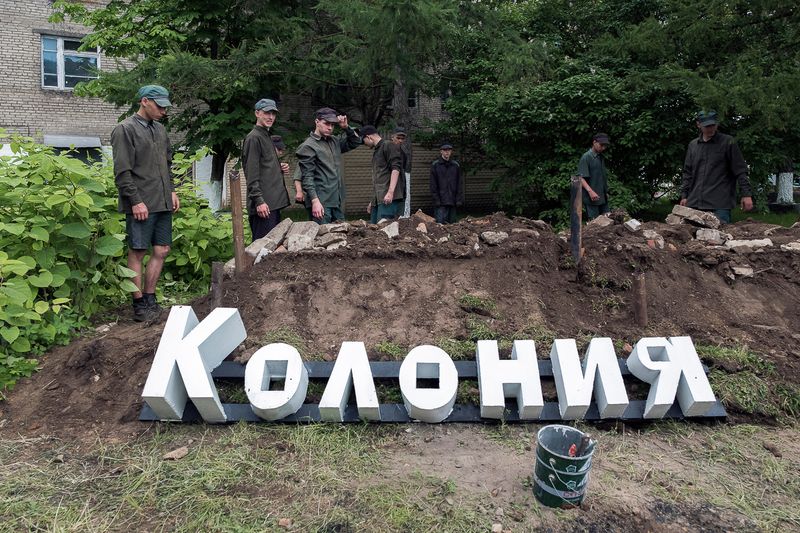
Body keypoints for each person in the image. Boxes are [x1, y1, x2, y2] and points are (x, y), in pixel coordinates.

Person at [111, 84, 179, 322]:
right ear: (145, 101)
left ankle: (150, 298)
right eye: (160, 106)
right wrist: (135, 201)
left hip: (162, 201)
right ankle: (138, 303)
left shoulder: (160, 130)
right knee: (138, 251)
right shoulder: (125, 129)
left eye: (165, 106)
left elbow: (167, 164)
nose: (164, 111)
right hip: (141, 203)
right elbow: (122, 172)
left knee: (162, 250)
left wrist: (171, 190)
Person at [680, 110, 753, 223]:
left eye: (713, 125)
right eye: (707, 126)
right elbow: (687, 172)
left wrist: (746, 194)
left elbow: (740, 170)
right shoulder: (693, 145)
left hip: (719, 204)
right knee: (693, 238)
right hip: (695, 202)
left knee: (719, 237)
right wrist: (684, 195)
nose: (710, 129)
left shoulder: (728, 142)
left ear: (717, 124)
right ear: (698, 125)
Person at [296, 107, 361, 224]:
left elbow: (355, 142)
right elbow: (307, 177)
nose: (330, 127)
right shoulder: (308, 146)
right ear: (317, 121)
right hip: (321, 202)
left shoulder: (334, 141)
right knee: (322, 239)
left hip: (336, 200)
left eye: (332, 124)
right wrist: (315, 201)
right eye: (326, 123)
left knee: (341, 237)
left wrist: (346, 128)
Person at [241, 99, 290, 241]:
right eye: (267, 113)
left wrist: (278, 168)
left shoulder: (266, 135)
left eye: (273, 113)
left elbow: (263, 166)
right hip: (263, 206)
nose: (271, 117)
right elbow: (251, 173)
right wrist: (259, 201)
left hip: (273, 205)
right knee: (261, 252)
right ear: (257, 113)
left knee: (272, 250)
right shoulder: (253, 138)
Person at [361, 125, 404, 223]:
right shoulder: (377, 150)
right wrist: (373, 201)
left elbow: (396, 169)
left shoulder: (388, 145)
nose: (364, 144)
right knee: (374, 230)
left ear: (369, 137)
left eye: (363, 141)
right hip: (379, 199)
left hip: (388, 199)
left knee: (385, 231)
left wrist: (390, 192)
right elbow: (379, 178)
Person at [576, 133, 610, 220]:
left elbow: (600, 177)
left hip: (603, 198)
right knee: (594, 225)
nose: (603, 148)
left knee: (608, 223)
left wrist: (605, 192)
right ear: (594, 142)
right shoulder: (586, 157)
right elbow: (581, 178)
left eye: (605, 146)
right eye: (601, 145)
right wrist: (591, 192)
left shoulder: (600, 157)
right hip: (592, 199)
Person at [430, 142, 462, 224]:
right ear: (441, 151)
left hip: (453, 200)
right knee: (440, 225)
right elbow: (433, 185)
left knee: (453, 225)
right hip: (441, 202)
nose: (447, 152)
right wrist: (436, 199)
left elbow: (459, 183)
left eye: (449, 150)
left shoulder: (455, 165)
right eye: (445, 150)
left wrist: (458, 199)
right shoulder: (436, 165)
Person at [391, 127, 413, 217]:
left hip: (400, 188)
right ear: (392, 137)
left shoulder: (404, 153)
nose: (400, 140)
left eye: (402, 138)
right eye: (398, 138)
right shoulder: (386, 149)